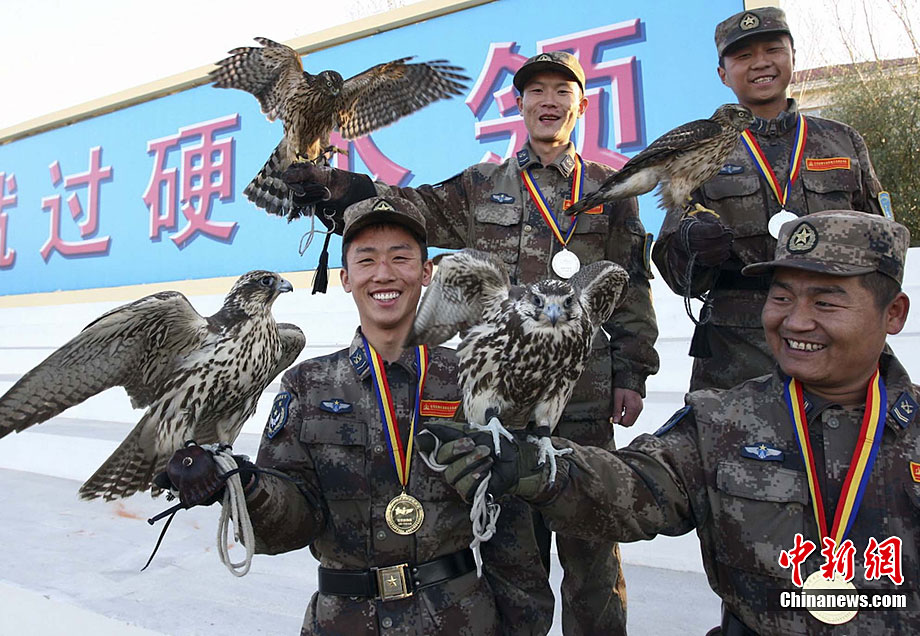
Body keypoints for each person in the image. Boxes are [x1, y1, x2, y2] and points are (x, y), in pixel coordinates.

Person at [285, 51, 659, 634]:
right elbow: (413, 207)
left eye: (562, 91)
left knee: (593, 558)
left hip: (580, 397)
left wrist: (632, 372)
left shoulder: (610, 190)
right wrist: (338, 185)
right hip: (498, 408)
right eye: (536, 91)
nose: (549, 101)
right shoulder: (482, 185)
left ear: (581, 104)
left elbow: (631, 285)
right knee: (514, 559)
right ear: (520, 105)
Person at [428, 210, 920, 634]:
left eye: (826, 302)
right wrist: (537, 470)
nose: (795, 321)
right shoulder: (723, 421)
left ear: (894, 313)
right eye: (781, 298)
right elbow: (635, 486)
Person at [161, 196, 551, 634]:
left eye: (400, 258)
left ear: (427, 273)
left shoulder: (473, 376)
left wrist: (523, 626)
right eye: (366, 260)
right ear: (346, 278)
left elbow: (511, 524)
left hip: (459, 619)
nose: (383, 273)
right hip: (345, 622)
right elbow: (290, 524)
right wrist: (243, 485)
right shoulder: (307, 385)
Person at [652, 6, 888, 392]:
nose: (760, 63)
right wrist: (692, 249)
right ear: (723, 74)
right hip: (735, 353)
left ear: (793, 56)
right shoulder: (701, 145)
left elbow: (881, 247)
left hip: (836, 341)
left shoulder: (842, 141)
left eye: (773, 49)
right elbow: (679, 276)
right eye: (744, 55)